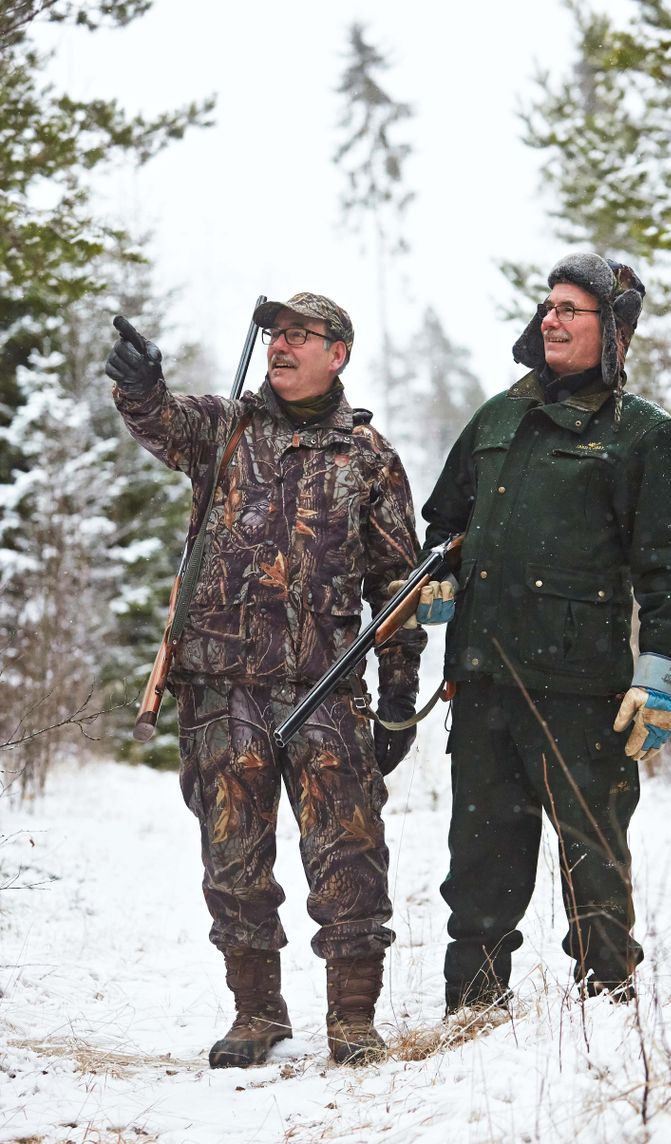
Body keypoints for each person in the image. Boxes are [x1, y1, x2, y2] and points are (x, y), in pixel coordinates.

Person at [105, 292, 426, 1067]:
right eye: (276, 333)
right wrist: (140, 385)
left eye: (300, 335)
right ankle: (256, 1015)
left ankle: (353, 1021)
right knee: (233, 862)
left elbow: (399, 586)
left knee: (350, 859)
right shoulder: (224, 428)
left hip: (327, 689)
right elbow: (161, 422)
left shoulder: (368, 456)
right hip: (222, 691)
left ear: (337, 354)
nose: (281, 345)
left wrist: (398, 697)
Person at [419, 252, 671, 1010]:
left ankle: (606, 1003)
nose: (551, 318)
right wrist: (437, 575)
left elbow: (670, 567)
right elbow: (445, 521)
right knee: (479, 863)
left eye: (571, 309)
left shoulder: (643, 434)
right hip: (482, 677)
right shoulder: (497, 416)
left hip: (581, 688)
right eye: (548, 305)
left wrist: (659, 676)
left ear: (613, 330)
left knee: (594, 856)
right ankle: (472, 1009)